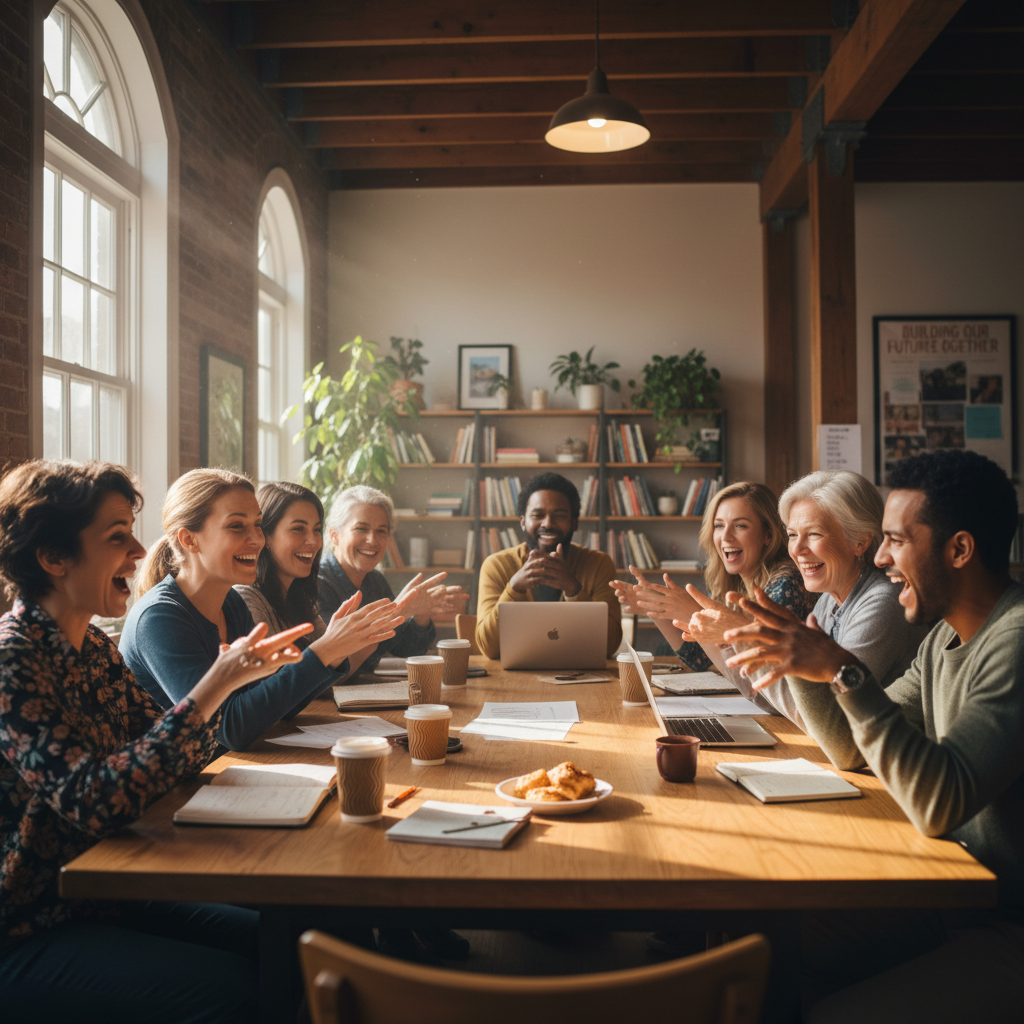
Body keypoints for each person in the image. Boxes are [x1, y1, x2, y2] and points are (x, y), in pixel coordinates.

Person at [0, 459, 311, 1023]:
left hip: (105, 894)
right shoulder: (11, 660)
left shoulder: (93, 649)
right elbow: (92, 799)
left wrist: (218, 696)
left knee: (295, 942)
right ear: (53, 557)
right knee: (240, 992)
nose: (141, 552)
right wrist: (215, 685)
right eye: (118, 537)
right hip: (27, 923)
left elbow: (185, 751)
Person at [725, 449, 1024, 1023]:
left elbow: (940, 801)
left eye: (895, 540)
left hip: (1006, 918)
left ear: (959, 550)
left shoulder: (1015, 641)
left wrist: (842, 669)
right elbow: (851, 750)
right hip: (952, 896)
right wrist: (808, 669)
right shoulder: (941, 642)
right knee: (753, 933)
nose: (881, 557)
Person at [120, 470, 401, 751]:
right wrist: (323, 651)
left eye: (257, 525)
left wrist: (334, 652)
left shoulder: (232, 604)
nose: (257, 539)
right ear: (189, 540)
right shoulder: (159, 618)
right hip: (181, 790)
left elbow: (276, 707)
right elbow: (228, 729)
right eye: (236, 526)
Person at [611, 481, 815, 720]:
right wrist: (657, 609)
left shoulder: (786, 583)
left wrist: (693, 615)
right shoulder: (736, 583)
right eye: (719, 526)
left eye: (740, 525)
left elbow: (756, 683)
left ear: (768, 534)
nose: (726, 536)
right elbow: (699, 658)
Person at [317, 485, 469, 676]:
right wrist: (400, 610)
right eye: (361, 528)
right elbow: (337, 662)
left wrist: (421, 612)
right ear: (334, 535)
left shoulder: (375, 580)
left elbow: (406, 648)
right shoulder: (318, 583)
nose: (372, 540)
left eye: (381, 531)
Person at [475, 472, 622, 659]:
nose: (548, 524)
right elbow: (488, 648)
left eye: (559, 516)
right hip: (514, 679)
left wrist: (573, 588)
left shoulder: (599, 564)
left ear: (575, 523)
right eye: (538, 515)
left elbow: (609, 646)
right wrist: (514, 588)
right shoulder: (496, 565)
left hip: (582, 676)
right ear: (522, 521)